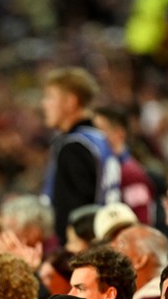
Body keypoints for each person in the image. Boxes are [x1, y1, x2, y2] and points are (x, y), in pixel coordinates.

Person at [40, 67, 121, 245]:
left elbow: (73, 212)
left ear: (70, 101)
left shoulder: (74, 147)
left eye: (50, 97)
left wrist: (66, 249)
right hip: (104, 237)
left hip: (83, 245)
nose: (44, 104)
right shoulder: (99, 139)